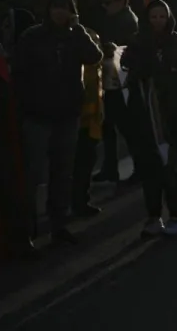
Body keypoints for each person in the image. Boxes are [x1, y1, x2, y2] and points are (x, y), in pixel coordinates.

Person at [14, 0, 102, 246]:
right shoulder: (33, 37)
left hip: (66, 114)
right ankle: (26, 231)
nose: (60, 12)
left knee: (62, 172)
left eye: (65, 7)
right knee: (32, 175)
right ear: (48, 9)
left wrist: (80, 30)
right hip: (37, 115)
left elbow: (94, 56)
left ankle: (58, 224)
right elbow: (19, 73)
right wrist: (25, 106)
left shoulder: (75, 37)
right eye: (56, 6)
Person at [122, 0, 177, 236]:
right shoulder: (137, 42)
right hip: (145, 113)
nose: (158, 21)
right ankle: (153, 216)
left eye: (162, 16)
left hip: (175, 114)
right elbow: (128, 67)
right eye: (153, 16)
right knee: (150, 167)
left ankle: (175, 215)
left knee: (172, 165)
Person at [91, 0, 139, 184]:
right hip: (111, 79)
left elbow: (129, 49)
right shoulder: (114, 19)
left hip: (121, 82)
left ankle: (138, 167)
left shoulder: (127, 21)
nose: (105, 6)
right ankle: (110, 168)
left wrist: (112, 48)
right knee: (109, 126)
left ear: (121, 1)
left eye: (109, 2)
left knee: (127, 127)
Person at [69, 20, 107, 219]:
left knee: (85, 161)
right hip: (69, 114)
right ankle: (67, 204)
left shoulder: (87, 34)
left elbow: (97, 64)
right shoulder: (55, 40)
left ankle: (81, 200)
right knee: (68, 164)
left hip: (90, 115)